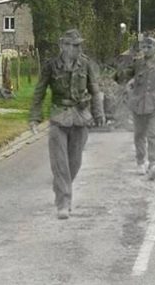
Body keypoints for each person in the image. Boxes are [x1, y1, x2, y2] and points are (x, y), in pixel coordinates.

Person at [28, 29, 105, 219]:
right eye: (74, 45)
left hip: (80, 117)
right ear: (63, 46)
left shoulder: (85, 64)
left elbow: (95, 91)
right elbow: (39, 92)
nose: (78, 48)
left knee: (74, 163)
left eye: (79, 45)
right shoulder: (51, 66)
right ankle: (64, 202)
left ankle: (60, 188)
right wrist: (34, 117)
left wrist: (98, 113)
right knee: (60, 163)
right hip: (58, 117)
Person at [118, 36, 155, 181]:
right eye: (144, 47)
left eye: (149, 47)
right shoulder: (137, 63)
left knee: (154, 134)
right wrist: (123, 65)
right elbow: (121, 77)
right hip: (139, 104)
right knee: (139, 134)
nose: (146, 50)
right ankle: (140, 161)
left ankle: (153, 164)